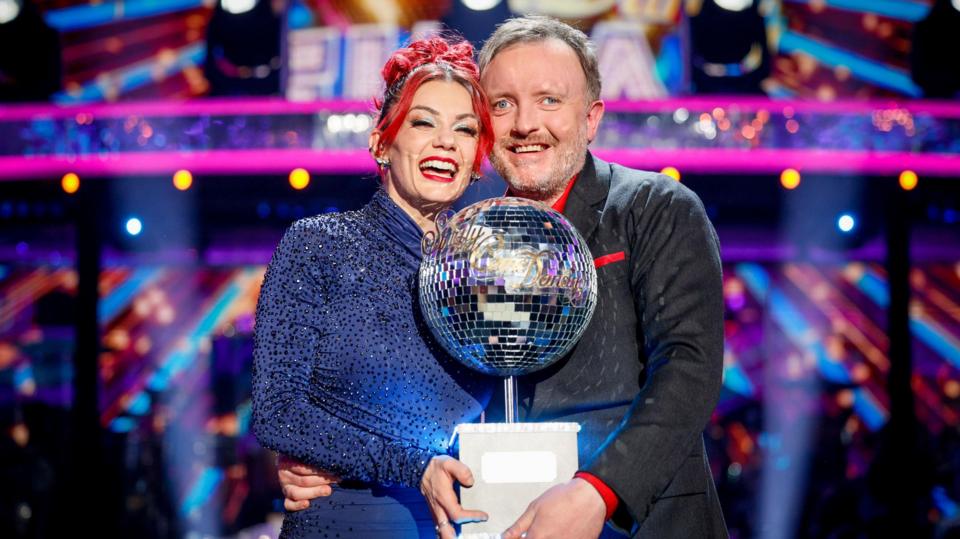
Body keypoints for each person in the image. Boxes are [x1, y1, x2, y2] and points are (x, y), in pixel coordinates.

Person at [280, 16, 728, 538]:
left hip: (643, 521)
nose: (525, 125)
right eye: (503, 104)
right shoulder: (460, 239)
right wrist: (325, 457)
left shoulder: (655, 208)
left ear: (591, 119)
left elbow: (689, 368)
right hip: (503, 520)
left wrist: (599, 492)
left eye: (549, 101)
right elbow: (406, 389)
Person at [251, 36, 497, 538]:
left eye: (465, 130)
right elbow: (278, 413)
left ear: (476, 160)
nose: (445, 141)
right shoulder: (318, 246)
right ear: (381, 143)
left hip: (458, 524)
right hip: (345, 524)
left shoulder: (485, 276)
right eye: (423, 122)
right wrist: (414, 468)